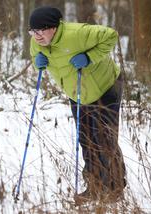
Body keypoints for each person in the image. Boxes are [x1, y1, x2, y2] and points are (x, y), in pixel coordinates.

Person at [28, 6, 126, 203]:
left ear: (54, 28)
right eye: (32, 31)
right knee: (86, 139)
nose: (36, 36)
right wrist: (37, 61)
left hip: (106, 87)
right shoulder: (37, 42)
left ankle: (115, 187)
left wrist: (89, 57)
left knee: (104, 139)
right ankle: (95, 185)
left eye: (40, 30)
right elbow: (34, 56)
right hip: (78, 92)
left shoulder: (78, 33)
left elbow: (111, 36)